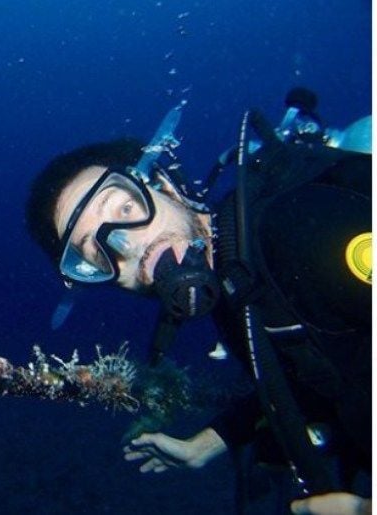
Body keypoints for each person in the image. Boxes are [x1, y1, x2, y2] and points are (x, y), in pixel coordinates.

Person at [25, 89, 371, 514]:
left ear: (166, 184)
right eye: (97, 254)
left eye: (125, 206)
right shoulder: (233, 284)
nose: (127, 245)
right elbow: (309, 374)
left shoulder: (294, 231)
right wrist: (210, 442)